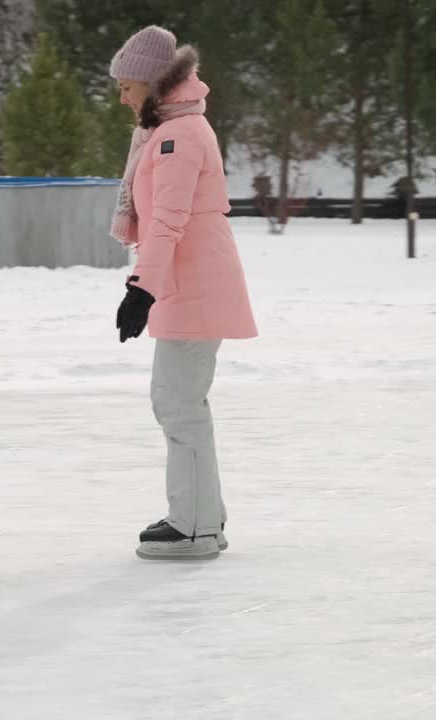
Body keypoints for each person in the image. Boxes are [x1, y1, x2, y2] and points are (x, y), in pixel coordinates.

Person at [108, 26, 258, 560]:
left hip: (191, 283)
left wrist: (139, 291)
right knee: (181, 402)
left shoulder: (179, 135)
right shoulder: (168, 130)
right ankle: (202, 517)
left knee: (178, 403)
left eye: (128, 86)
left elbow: (168, 220)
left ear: (152, 83)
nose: (123, 97)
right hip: (186, 281)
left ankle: (193, 525)